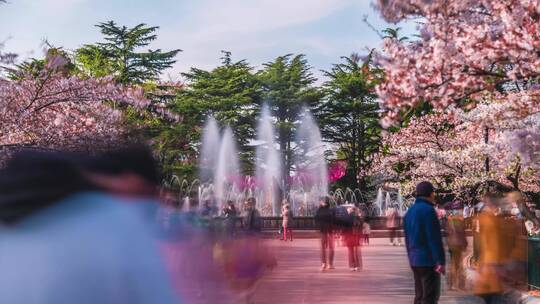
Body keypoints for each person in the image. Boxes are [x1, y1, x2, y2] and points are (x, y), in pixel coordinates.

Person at [404, 181, 445, 304]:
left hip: (414, 260)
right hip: (428, 260)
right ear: (430, 194)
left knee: (419, 295)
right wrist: (440, 261)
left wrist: (410, 256)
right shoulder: (428, 210)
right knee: (430, 297)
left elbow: (407, 238)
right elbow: (433, 238)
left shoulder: (409, 212)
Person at [446, 211, 467, 291]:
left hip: (452, 245)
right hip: (458, 245)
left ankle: (451, 284)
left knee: (453, 264)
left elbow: (448, 233)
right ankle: (460, 285)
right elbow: (463, 234)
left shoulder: (450, 221)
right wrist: (465, 243)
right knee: (459, 265)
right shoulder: (460, 222)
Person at [314, 196, 335, 271]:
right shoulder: (330, 210)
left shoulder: (320, 211)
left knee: (324, 248)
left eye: (321, 201)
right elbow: (334, 220)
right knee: (330, 248)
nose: (320, 202)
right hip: (328, 231)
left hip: (324, 231)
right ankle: (329, 264)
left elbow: (316, 219)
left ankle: (325, 264)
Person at [344, 207, 362, 271]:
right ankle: (357, 266)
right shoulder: (357, 218)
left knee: (350, 251)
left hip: (349, 236)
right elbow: (360, 227)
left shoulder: (347, 218)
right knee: (356, 251)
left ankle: (352, 266)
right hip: (356, 236)